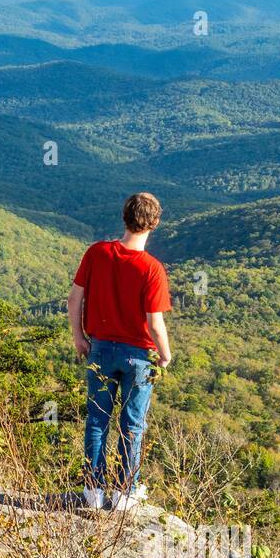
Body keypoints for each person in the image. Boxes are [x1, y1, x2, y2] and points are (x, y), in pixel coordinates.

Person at [67, 192, 173, 511]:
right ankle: (125, 492)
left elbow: (74, 300)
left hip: (99, 349)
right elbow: (155, 323)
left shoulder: (97, 253)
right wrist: (165, 355)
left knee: (97, 419)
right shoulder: (152, 269)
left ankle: (93, 490)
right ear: (154, 223)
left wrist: (79, 338)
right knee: (132, 424)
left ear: (124, 217)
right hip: (139, 357)